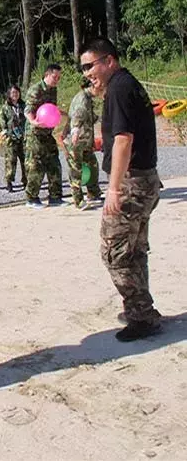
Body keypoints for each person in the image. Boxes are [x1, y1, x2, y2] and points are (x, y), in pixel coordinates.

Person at [80, 37, 162, 342]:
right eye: (83, 68)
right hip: (145, 178)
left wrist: (113, 190)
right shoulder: (128, 85)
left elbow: (124, 140)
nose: (87, 73)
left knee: (115, 252)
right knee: (135, 251)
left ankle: (141, 316)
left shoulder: (118, 88)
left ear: (109, 61)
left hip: (131, 183)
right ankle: (144, 311)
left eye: (90, 66)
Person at [24, 64, 64, 208]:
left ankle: (55, 197)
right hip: (34, 134)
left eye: (59, 78)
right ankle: (31, 198)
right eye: (55, 77)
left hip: (47, 133)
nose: (57, 80)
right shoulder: (36, 89)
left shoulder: (53, 90)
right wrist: (33, 121)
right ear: (47, 74)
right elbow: (28, 109)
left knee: (54, 163)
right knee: (36, 166)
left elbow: (51, 109)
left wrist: (61, 114)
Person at [62, 79, 102, 210]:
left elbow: (90, 116)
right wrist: (74, 132)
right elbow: (78, 117)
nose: (100, 89)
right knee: (76, 170)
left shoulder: (88, 98)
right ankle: (78, 201)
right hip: (76, 141)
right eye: (98, 86)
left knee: (92, 165)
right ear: (91, 86)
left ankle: (93, 193)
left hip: (85, 142)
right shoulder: (82, 99)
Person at [0, 85, 27, 192]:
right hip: (11, 138)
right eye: (13, 92)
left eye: (17, 92)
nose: (15, 94)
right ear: (9, 95)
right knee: (10, 161)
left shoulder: (24, 106)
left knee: (25, 161)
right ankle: (9, 182)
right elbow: (2, 121)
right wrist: (5, 132)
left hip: (23, 138)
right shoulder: (5, 107)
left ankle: (26, 181)